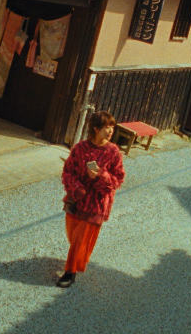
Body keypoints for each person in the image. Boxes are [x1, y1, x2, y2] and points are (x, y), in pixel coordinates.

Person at [57, 110, 126, 288]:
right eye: (106, 127)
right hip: (76, 200)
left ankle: (70, 272)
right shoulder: (80, 148)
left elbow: (118, 179)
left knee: (80, 240)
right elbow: (67, 171)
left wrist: (101, 176)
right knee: (73, 236)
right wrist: (76, 188)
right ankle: (78, 258)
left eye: (112, 127)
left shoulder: (113, 152)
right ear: (96, 129)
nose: (110, 131)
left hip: (97, 204)